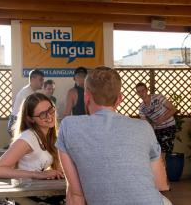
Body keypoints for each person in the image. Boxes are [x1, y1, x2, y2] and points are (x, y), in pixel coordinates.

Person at [56, 67, 170, 205]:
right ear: (120, 99)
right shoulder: (144, 127)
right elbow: (161, 184)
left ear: (86, 97)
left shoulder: (68, 127)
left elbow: (75, 195)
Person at [0, 93, 64, 204]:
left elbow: (59, 170)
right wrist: (37, 175)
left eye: (50, 110)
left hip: (39, 192)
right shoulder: (27, 138)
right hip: (26, 197)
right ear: (30, 119)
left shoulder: (49, 136)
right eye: (42, 114)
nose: (49, 116)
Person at [135, 82, 177, 159]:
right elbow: (146, 124)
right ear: (137, 93)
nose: (141, 93)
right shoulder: (141, 108)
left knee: (162, 155)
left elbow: (173, 109)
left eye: (143, 90)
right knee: (157, 155)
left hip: (169, 126)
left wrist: (160, 120)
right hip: (157, 130)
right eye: (138, 91)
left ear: (147, 90)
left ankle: (162, 170)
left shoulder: (158, 97)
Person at [7, 69, 44, 137]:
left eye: (43, 80)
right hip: (16, 124)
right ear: (33, 79)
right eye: (41, 79)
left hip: (20, 123)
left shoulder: (31, 92)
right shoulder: (27, 93)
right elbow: (29, 113)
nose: (42, 82)